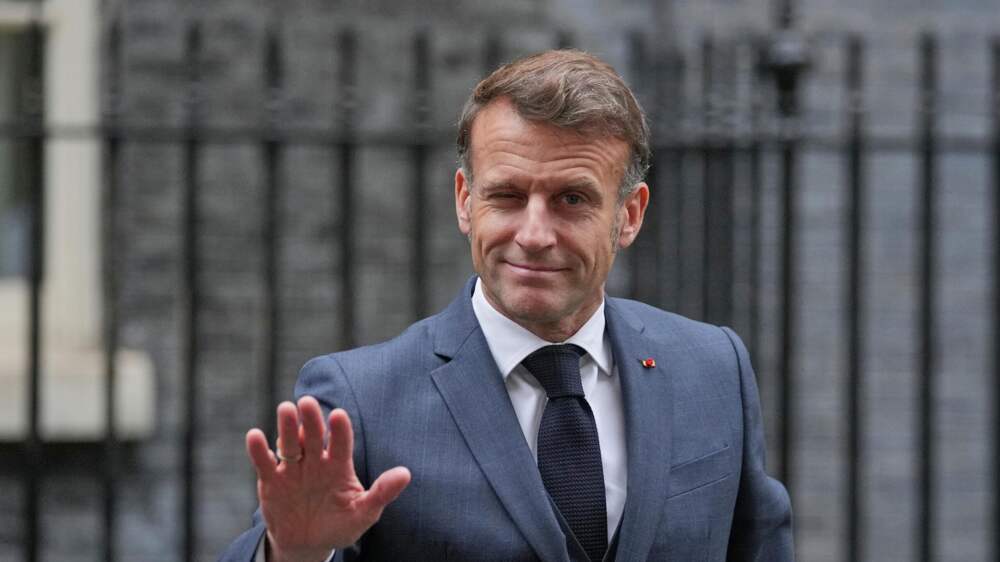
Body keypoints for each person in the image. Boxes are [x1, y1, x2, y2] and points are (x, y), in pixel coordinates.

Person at [219, 49, 793, 562]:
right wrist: (295, 554)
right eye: (508, 196)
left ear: (630, 215)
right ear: (465, 201)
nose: (534, 234)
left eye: (572, 199)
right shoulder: (362, 400)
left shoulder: (712, 368)